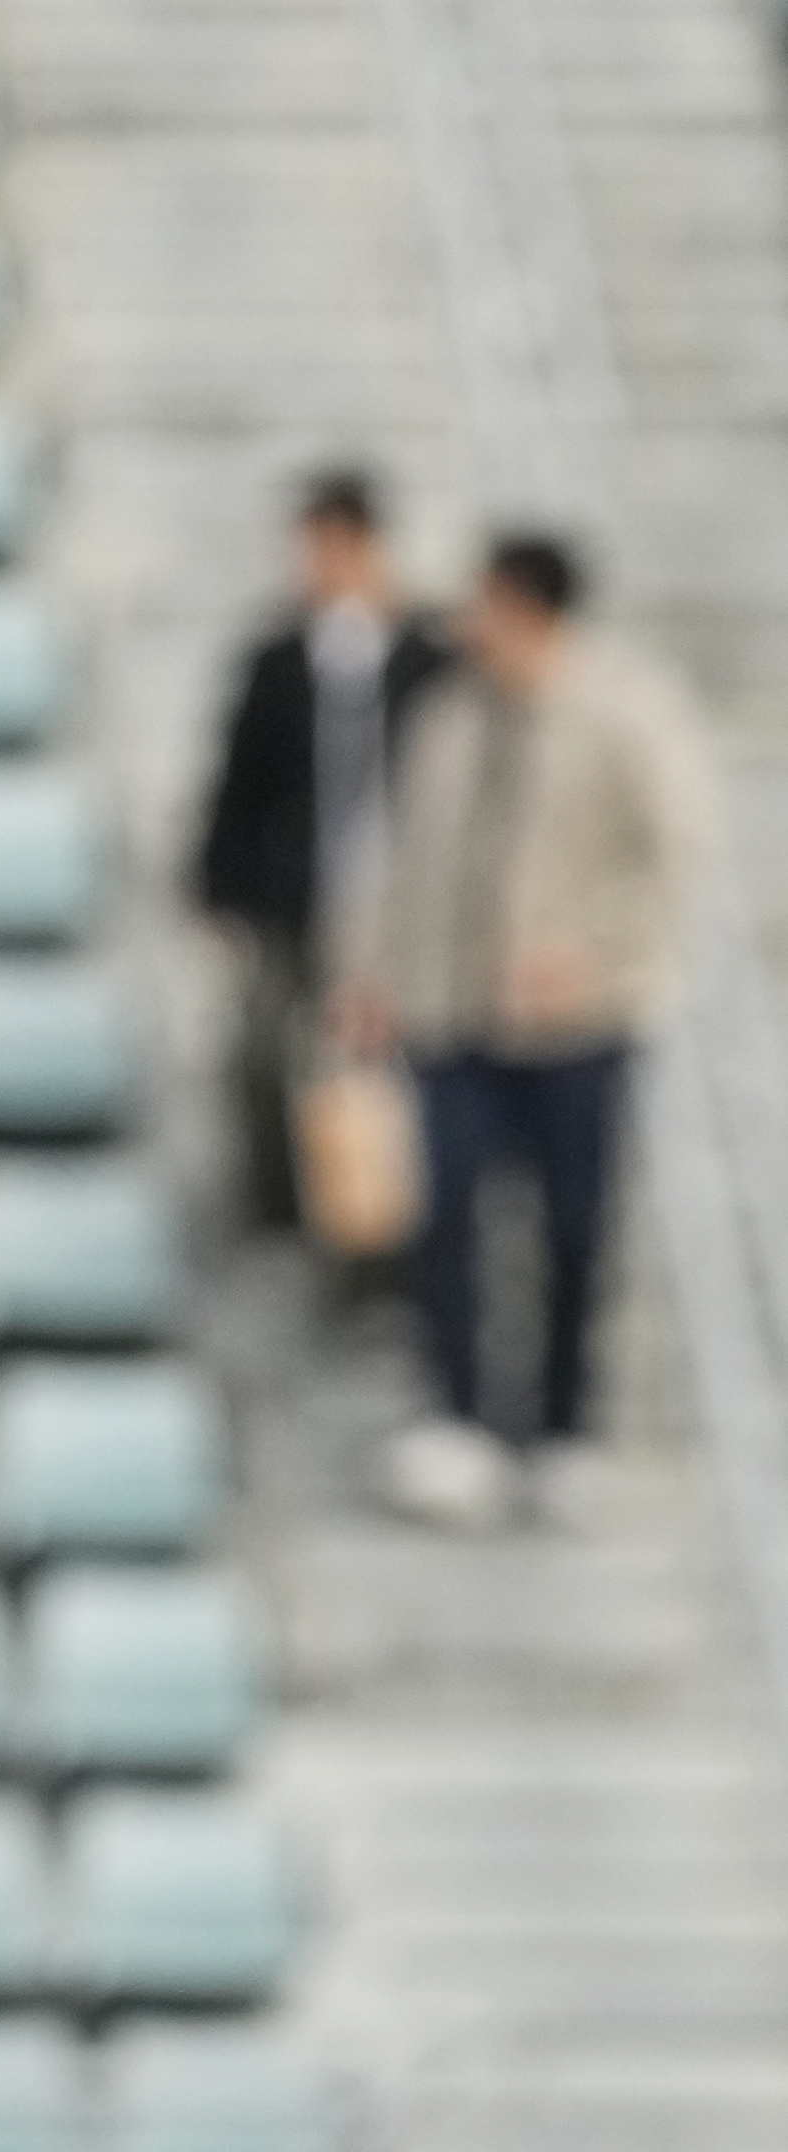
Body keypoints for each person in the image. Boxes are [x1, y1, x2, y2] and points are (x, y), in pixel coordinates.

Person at [342, 532, 707, 1528]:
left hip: (576, 1023)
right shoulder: (449, 715)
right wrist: (371, 973)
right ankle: (458, 1413)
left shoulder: (626, 710)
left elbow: (670, 856)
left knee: (575, 1224)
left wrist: (587, 955)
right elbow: (401, 852)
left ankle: (563, 1426)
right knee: (449, 1211)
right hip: (451, 1011)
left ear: (529, 606)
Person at [188, 471, 448, 1242]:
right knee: (262, 1058)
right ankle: (279, 1220)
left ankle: (383, 1252)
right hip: (297, 897)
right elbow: (237, 782)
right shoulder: (275, 658)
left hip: (402, 906)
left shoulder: (430, 658)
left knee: (391, 1081)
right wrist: (217, 889)